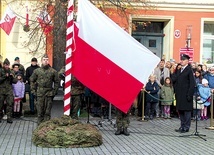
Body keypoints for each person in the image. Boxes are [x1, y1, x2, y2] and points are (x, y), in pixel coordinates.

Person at [30, 54, 59, 125]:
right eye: (44, 60)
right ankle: (39, 130)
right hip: (40, 93)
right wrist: (33, 90)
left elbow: (57, 82)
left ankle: (46, 130)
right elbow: (32, 80)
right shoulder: (37, 71)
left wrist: (54, 91)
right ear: (41, 61)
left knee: (47, 112)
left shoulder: (53, 71)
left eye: (47, 60)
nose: (45, 61)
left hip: (49, 93)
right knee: (40, 112)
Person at [172, 54, 195, 133]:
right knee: (180, 111)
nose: (181, 61)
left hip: (186, 95)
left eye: (183, 60)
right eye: (181, 60)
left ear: (187, 61)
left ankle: (186, 127)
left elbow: (192, 84)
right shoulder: (179, 70)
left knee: (186, 111)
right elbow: (174, 80)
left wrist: (189, 94)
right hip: (179, 94)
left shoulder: (189, 70)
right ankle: (182, 126)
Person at [0, 58, 18, 123]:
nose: (6, 66)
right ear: (3, 65)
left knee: (10, 104)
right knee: (0, 104)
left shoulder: (11, 71)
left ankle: (9, 118)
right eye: (5, 65)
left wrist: (12, 77)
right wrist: (5, 76)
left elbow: (15, 81)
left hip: (9, 90)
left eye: (7, 65)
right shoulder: (1, 70)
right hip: (1, 90)